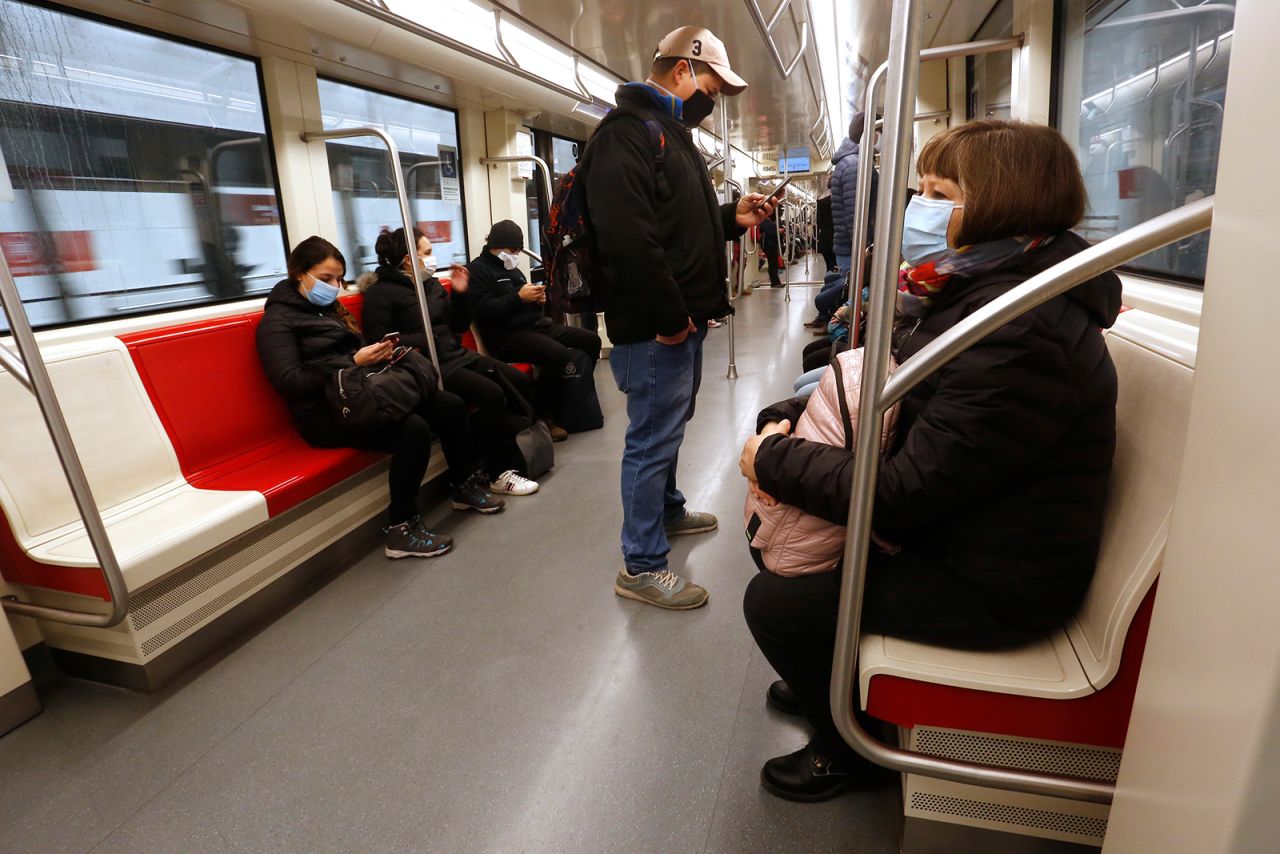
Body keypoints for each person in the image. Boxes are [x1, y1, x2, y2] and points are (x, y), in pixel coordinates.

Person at [738, 120, 1122, 801]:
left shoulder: (1020, 331)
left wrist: (774, 462)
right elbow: (904, 402)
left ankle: (847, 752)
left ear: (998, 205)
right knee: (783, 538)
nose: (919, 205)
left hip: (998, 582)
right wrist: (794, 424)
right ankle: (824, 677)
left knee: (776, 598)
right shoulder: (983, 292)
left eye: (937, 191)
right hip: (970, 532)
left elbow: (902, 492)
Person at [581, 25, 778, 609]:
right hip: (654, 327)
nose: (712, 101)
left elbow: (678, 224)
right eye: (712, 87)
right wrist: (670, 318)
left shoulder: (672, 135)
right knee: (649, 437)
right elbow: (630, 240)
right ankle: (640, 565)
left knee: (670, 424)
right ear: (682, 71)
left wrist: (728, 217)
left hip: (680, 321)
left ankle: (664, 510)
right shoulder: (626, 136)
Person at [257, 237, 505, 561]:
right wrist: (354, 362)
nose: (335, 286)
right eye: (326, 278)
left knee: (449, 405)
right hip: (322, 412)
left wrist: (374, 357)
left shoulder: (329, 310)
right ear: (299, 274)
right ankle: (400, 527)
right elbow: (290, 383)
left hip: (360, 394)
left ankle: (463, 484)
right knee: (412, 429)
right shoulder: (277, 323)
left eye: (339, 278)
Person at [362, 226, 539, 497]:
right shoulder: (381, 294)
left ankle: (491, 452)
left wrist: (459, 293)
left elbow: (458, 324)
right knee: (491, 394)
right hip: (427, 364)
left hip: (455, 353)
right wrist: (426, 337)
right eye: (428, 252)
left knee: (515, 379)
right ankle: (497, 473)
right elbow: (379, 341)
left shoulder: (430, 285)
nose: (433, 258)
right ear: (410, 259)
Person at [467, 220, 601, 442]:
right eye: (512, 250)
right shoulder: (478, 271)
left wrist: (537, 300)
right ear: (497, 246)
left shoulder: (514, 271)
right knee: (558, 354)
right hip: (506, 336)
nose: (515, 255)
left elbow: (523, 303)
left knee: (590, 341)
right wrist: (519, 298)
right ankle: (543, 415)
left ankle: (574, 397)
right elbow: (484, 310)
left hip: (535, 326)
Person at [759, 212, 784, 288]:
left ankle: (776, 281)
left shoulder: (768, 220)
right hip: (769, 245)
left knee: (773, 263)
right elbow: (769, 232)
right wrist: (778, 231)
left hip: (771, 245)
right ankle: (774, 282)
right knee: (773, 264)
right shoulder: (765, 220)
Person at [816, 191, 836, 273]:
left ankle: (829, 277)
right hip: (837, 237)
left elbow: (818, 222)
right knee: (835, 264)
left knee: (828, 264)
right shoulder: (839, 201)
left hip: (825, 237)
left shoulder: (821, 202)